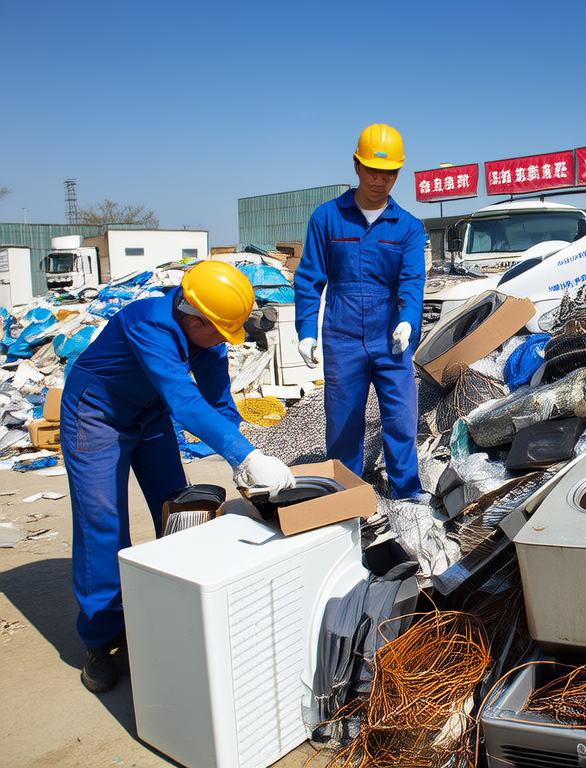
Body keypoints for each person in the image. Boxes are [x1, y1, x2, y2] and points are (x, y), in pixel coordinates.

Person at [61, 260, 296, 693]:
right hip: (96, 413)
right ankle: (103, 637)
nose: (225, 340)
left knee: (179, 506)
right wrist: (246, 454)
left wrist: (241, 463)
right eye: (221, 331)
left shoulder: (208, 335)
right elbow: (186, 403)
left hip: (148, 414)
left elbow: (218, 402)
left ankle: (173, 604)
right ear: (194, 315)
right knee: (103, 522)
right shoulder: (147, 322)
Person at [294, 123, 426, 499]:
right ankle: (344, 495)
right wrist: (306, 329)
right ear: (355, 165)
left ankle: (406, 493)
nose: (379, 180)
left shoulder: (408, 227)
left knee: (401, 419)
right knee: (343, 422)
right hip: (343, 336)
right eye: (372, 170)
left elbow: (413, 280)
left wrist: (407, 320)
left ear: (398, 173)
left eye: (388, 173)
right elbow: (308, 279)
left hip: (391, 337)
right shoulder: (327, 218)